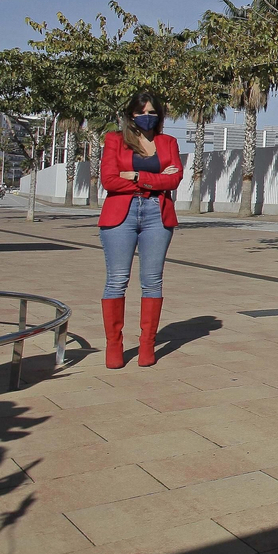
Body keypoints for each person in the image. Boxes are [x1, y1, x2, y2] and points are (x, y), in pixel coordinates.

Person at [98, 91, 183, 368]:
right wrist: (156, 179)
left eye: (152, 112)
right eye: (141, 112)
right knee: (117, 280)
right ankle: (114, 345)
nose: (147, 117)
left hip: (157, 214)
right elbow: (109, 181)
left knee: (152, 280)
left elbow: (175, 180)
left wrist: (135, 176)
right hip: (120, 214)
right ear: (131, 115)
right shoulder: (114, 140)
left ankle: (147, 344)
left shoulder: (167, 142)